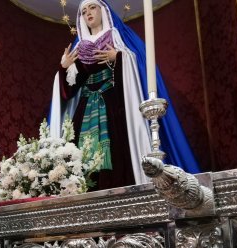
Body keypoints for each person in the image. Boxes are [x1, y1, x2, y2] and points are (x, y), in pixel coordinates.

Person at [49, 0, 200, 189]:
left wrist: (119, 57)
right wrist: (64, 68)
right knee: (81, 152)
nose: (88, 13)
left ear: (103, 11)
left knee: (117, 148)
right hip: (86, 107)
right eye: (84, 11)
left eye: (92, 7)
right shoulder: (80, 47)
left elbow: (135, 63)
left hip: (113, 103)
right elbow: (70, 90)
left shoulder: (115, 36)